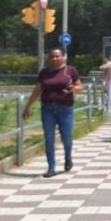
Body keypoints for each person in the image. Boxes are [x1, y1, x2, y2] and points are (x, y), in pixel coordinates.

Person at [23, 48, 84, 178]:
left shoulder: (70, 71)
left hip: (65, 109)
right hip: (48, 109)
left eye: (57, 56)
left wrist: (73, 88)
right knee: (49, 138)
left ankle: (68, 157)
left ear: (63, 57)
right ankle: (51, 167)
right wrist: (28, 106)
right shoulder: (44, 73)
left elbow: (80, 87)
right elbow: (37, 90)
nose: (55, 59)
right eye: (52, 57)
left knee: (66, 138)